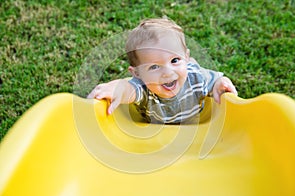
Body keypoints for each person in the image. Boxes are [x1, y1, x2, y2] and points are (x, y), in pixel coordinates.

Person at [87, 18, 237, 124]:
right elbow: (128, 89)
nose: (168, 72)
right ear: (137, 74)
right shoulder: (144, 88)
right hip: (157, 129)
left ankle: (187, 62)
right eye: (154, 67)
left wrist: (219, 83)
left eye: (174, 60)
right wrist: (118, 88)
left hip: (194, 121)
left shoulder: (197, 77)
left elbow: (215, 81)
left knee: (191, 69)